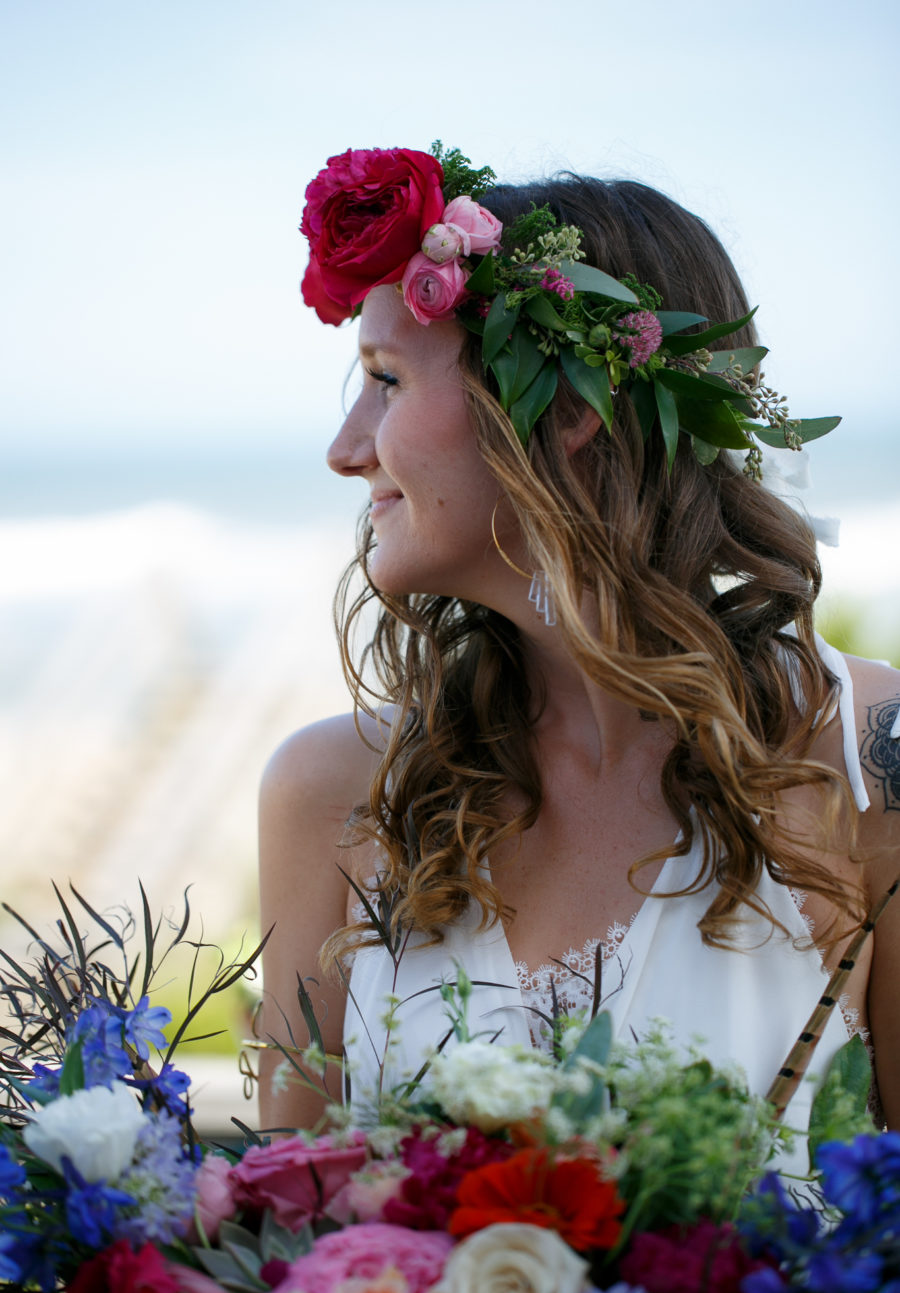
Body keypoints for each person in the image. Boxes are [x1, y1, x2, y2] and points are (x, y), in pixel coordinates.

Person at [257, 144, 900, 1141]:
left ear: (563, 411)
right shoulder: (334, 790)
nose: (346, 450)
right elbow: (280, 1214)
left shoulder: (864, 754)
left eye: (386, 380)